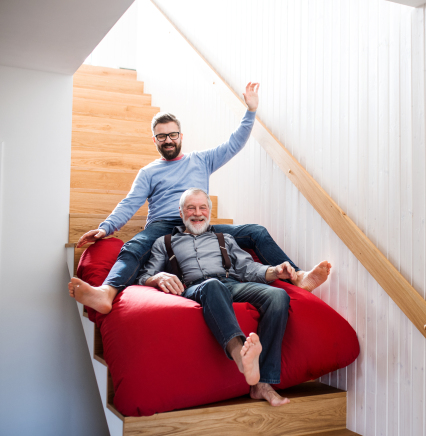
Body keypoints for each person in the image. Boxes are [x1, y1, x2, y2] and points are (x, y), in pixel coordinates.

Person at [68, 83, 331, 314]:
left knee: (256, 232)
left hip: (199, 224)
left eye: (172, 134)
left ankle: (297, 276)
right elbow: (130, 203)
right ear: (155, 140)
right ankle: (106, 293)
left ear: (180, 136)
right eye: (162, 136)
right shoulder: (148, 172)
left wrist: (250, 111)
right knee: (134, 246)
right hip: (163, 225)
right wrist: (105, 228)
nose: (168, 140)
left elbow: (234, 144)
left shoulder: (201, 160)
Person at [138, 188, 297, 406]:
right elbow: (144, 276)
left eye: (202, 207)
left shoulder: (225, 239)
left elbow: (248, 269)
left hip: (230, 284)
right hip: (193, 290)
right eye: (190, 208)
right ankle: (242, 359)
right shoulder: (164, 242)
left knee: (278, 295)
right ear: (181, 212)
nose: (197, 213)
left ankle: (262, 384)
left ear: (209, 212)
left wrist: (275, 271)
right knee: (212, 285)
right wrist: (157, 277)